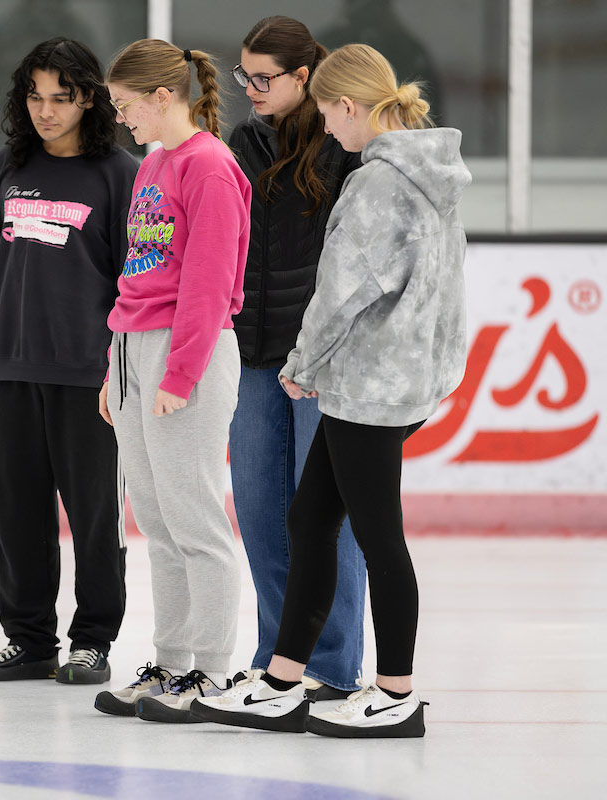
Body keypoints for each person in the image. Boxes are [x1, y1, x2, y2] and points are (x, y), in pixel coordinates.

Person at [194, 43, 470, 738]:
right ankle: (284, 679)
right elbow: (447, 296)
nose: (323, 126)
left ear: (348, 105)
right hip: (390, 379)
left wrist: (303, 362)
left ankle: (397, 693)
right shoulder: (431, 175)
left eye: (324, 111)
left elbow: (342, 291)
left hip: (367, 383)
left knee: (378, 536)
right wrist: (438, 373)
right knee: (311, 522)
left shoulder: (379, 181)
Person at [0, 38, 138, 685]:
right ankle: (30, 639)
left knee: (95, 520)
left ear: (89, 98)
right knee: (18, 514)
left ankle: (93, 639)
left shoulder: (120, 174)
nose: (45, 110)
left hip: (88, 380)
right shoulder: (8, 167)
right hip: (12, 370)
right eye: (35, 96)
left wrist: (122, 377)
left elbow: (134, 285)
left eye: (60, 97)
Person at [93, 39, 250, 718]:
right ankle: (172, 659)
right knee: (156, 518)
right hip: (135, 352)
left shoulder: (210, 167)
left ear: (162, 97)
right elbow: (138, 272)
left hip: (188, 354)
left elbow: (209, 285)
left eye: (126, 106)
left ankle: (212, 670)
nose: (121, 119)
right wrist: (114, 365)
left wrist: (180, 374)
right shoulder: (153, 164)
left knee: (195, 515)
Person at [225, 16, 366, 705]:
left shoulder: (345, 148)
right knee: (257, 508)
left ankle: (332, 666)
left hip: (324, 362)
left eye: (263, 77)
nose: (249, 88)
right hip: (250, 355)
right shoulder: (240, 143)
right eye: (242, 75)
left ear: (304, 77)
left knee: (324, 517)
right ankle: (278, 656)